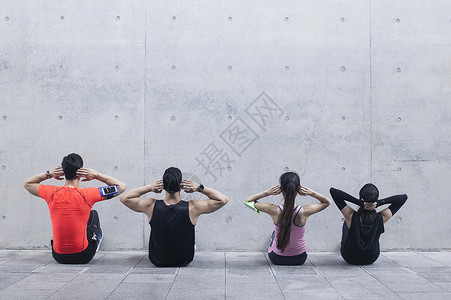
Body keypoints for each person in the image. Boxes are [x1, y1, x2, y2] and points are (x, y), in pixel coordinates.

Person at [23, 153, 126, 264]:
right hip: (83, 256)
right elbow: (121, 186)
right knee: (93, 214)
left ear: (63, 171)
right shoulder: (88, 194)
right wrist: (96, 175)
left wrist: (49, 174)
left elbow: (27, 183)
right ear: (81, 172)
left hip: (58, 256)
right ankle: (96, 240)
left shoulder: (51, 193)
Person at [120, 167, 228, 267]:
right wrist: (200, 188)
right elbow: (223, 200)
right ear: (181, 186)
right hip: (184, 260)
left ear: (163, 186)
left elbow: (125, 198)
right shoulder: (193, 207)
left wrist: (149, 187)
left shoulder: (150, 205)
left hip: (157, 260)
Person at [244, 172, 331, 265]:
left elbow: (247, 201)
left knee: (274, 235)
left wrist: (267, 193)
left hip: (277, 258)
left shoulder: (273, 210)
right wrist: (312, 193)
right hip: (300, 258)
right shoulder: (304, 211)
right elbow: (327, 202)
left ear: (281, 189)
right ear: (299, 189)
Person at [330, 184, 408, 265]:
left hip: (350, 257)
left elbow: (333, 192)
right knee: (370, 227)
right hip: (371, 258)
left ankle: (347, 245)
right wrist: (379, 203)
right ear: (376, 199)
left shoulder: (351, 216)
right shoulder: (382, 217)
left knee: (347, 223)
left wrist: (359, 203)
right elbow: (403, 198)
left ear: (360, 197)